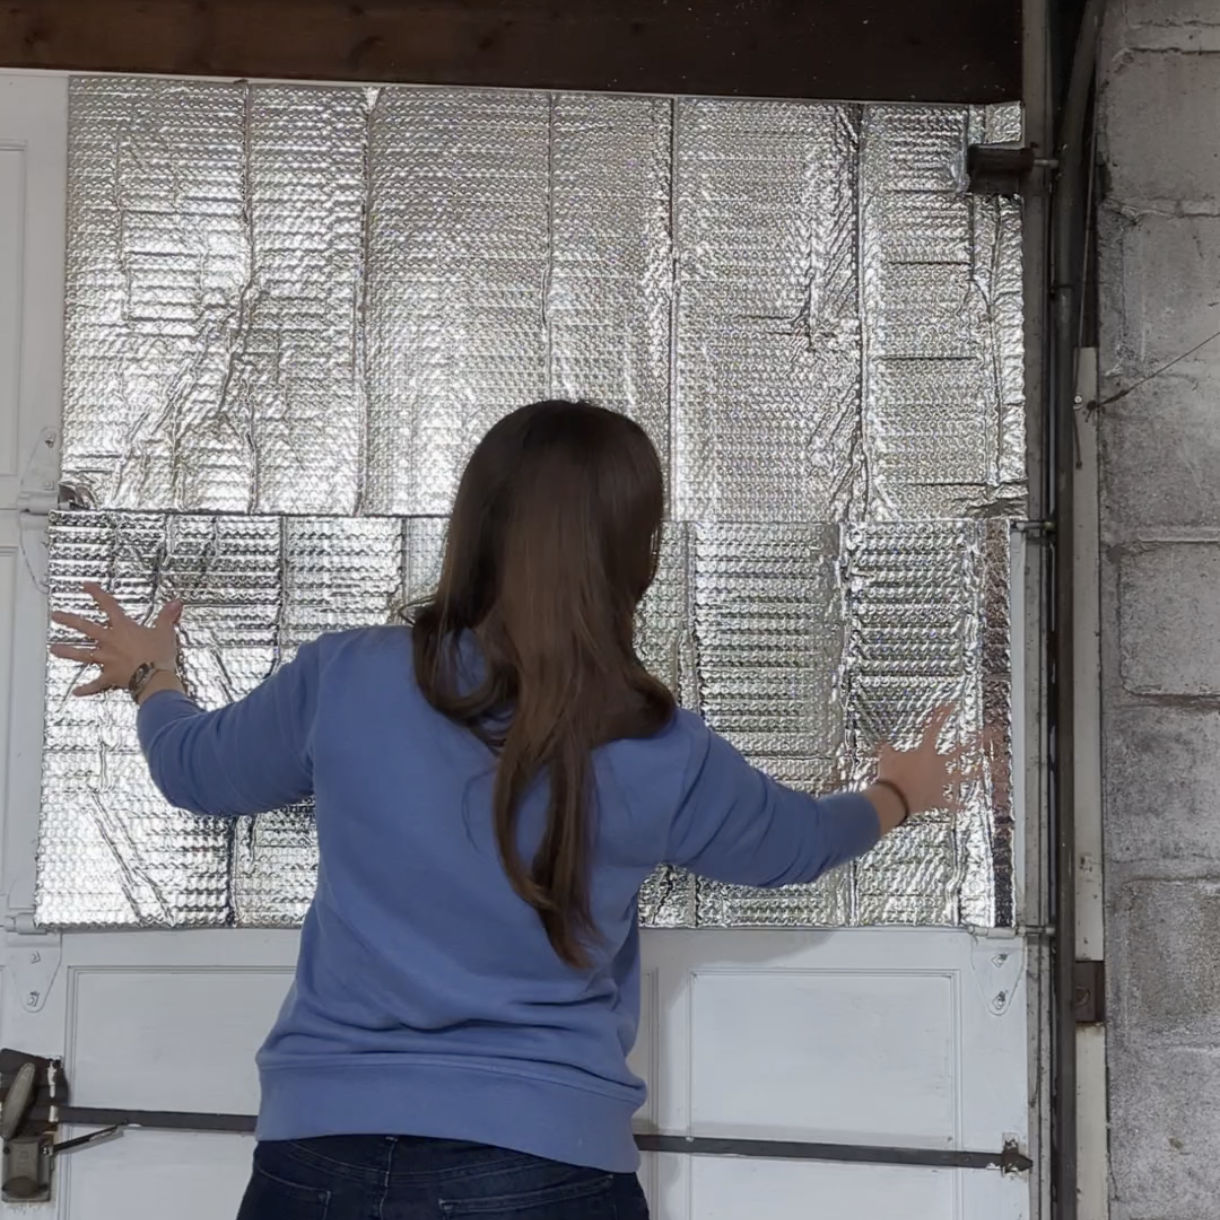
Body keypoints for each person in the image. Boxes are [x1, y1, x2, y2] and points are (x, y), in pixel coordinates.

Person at [51, 400, 973, 1220]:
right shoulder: (657, 745)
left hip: (317, 1159)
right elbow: (797, 845)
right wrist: (900, 794)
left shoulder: (350, 677)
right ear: (635, 555)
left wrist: (149, 676)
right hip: (544, 1164)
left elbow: (196, 772)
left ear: (474, 526)